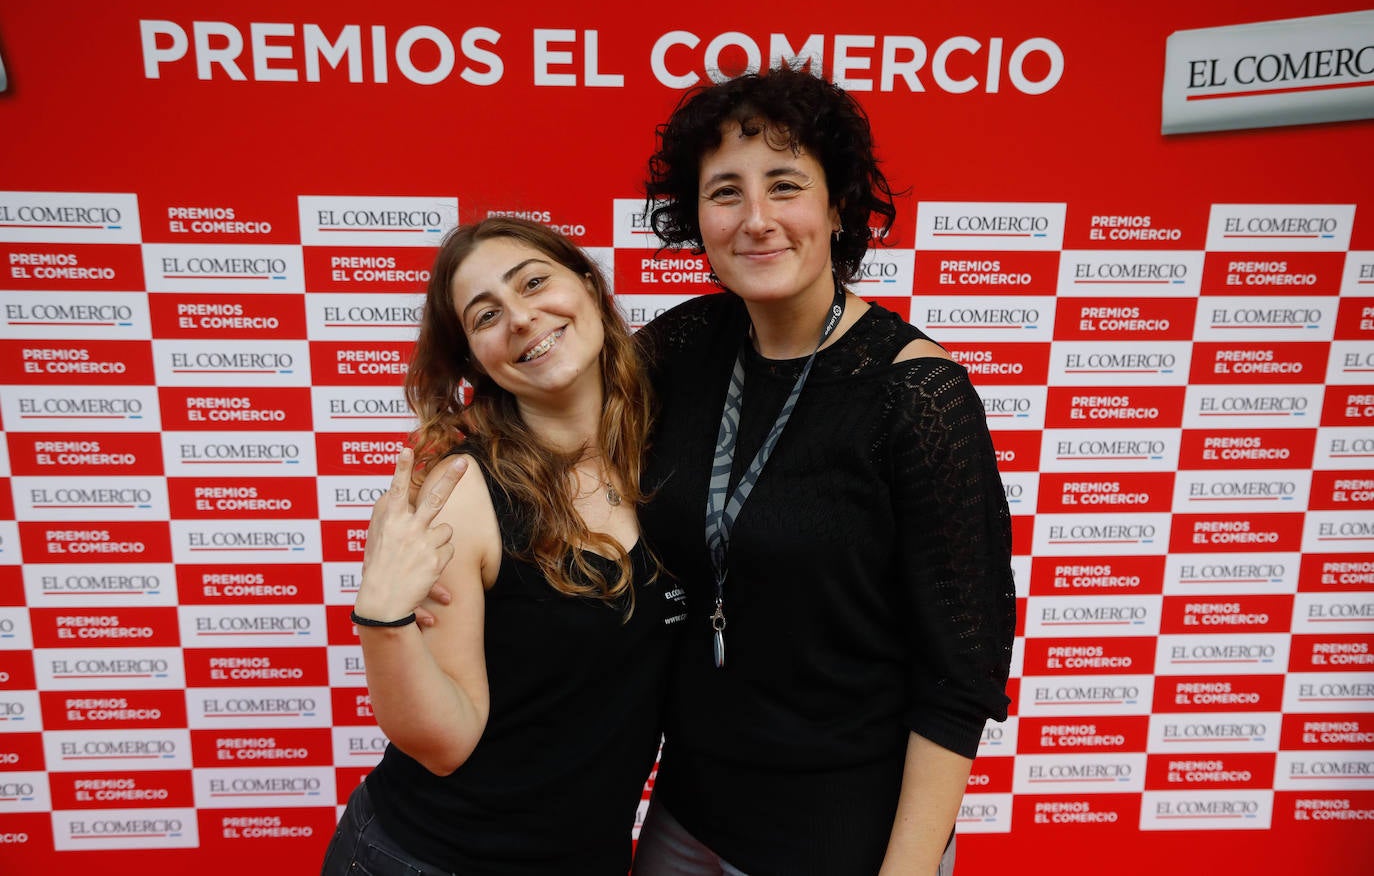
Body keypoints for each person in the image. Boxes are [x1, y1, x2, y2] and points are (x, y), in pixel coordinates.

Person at [629, 66, 1016, 875]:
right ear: (695, 216)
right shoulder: (682, 348)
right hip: (687, 818)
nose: (757, 220)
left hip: (846, 839)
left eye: (785, 184)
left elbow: (960, 676)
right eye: (726, 192)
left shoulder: (914, 392)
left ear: (837, 206)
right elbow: (550, 434)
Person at [320, 216, 686, 876]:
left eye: (534, 282)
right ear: (472, 359)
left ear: (588, 286)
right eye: (486, 315)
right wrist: (382, 619)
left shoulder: (666, 449)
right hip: (431, 860)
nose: (521, 318)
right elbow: (446, 742)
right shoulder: (464, 490)